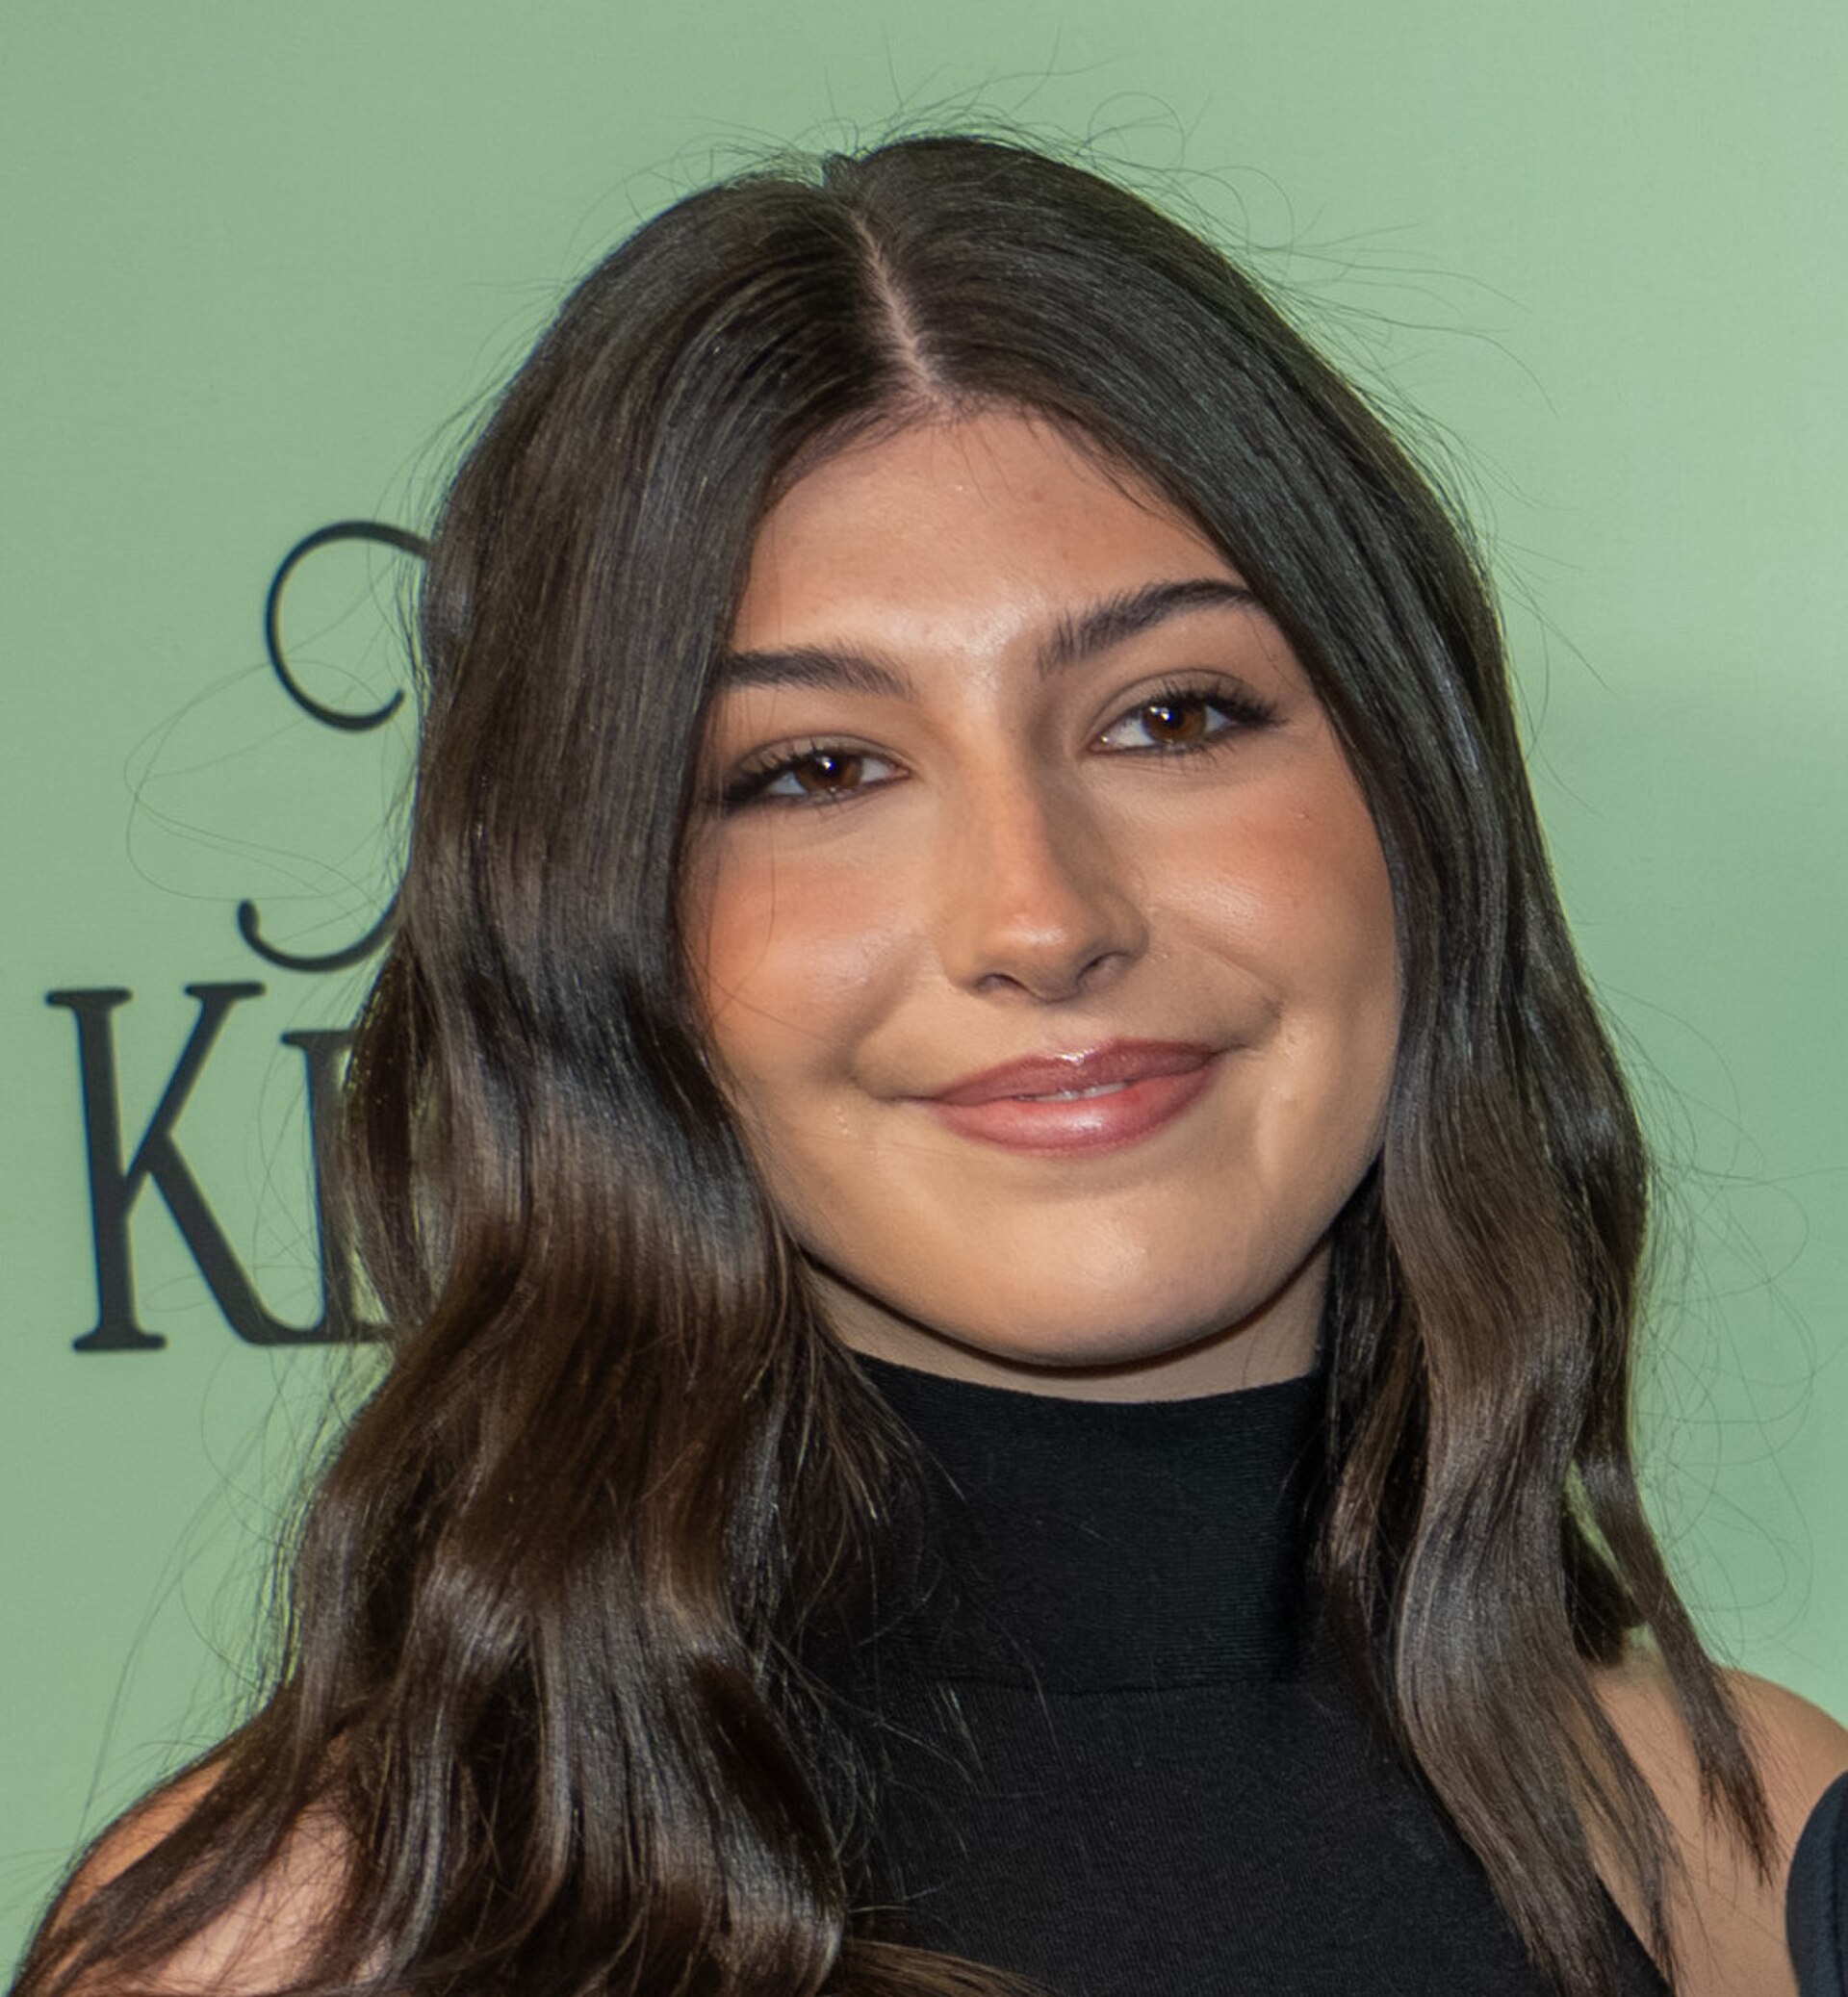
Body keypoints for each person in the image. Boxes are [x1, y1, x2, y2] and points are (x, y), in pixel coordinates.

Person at [14, 132, 1848, 1997]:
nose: (1040, 918)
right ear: (608, 945)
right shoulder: (311, 1944)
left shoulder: (1759, 1868)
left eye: (1173, 715)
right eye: (817, 771)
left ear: (1412, 805)